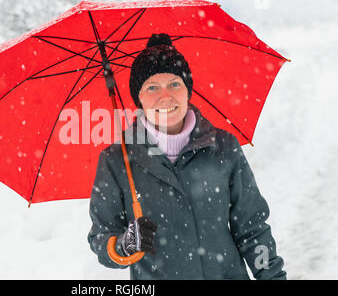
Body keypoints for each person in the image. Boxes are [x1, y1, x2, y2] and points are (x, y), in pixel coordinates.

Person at [87, 33, 287, 280]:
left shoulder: (223, 146)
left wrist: (272, 276)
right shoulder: (116, 160)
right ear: (138, 98)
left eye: (174, 83)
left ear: (188, 90)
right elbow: (101, 236)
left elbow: (252, 228)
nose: (165, 96)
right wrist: (122, 246)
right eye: (151, 87)